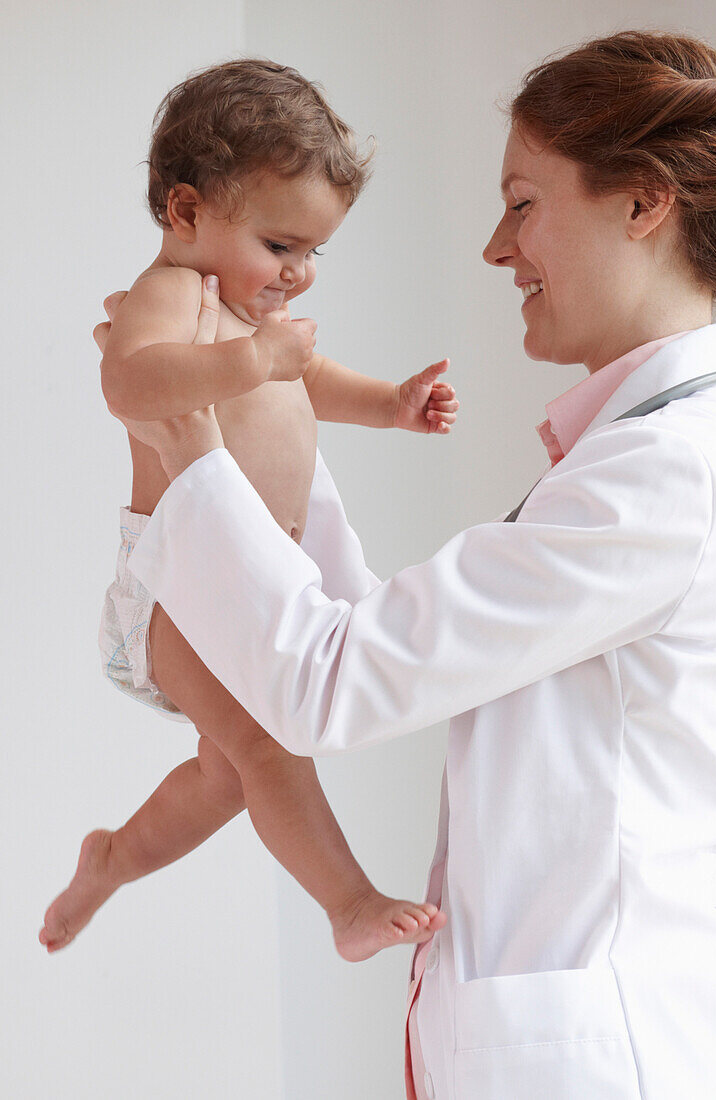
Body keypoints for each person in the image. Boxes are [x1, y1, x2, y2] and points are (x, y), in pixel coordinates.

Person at [93, 31, 716, 1100]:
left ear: (642, 203)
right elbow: (355, 641)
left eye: (524, 202)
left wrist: (191, 448)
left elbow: (326, 682)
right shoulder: (638, 459)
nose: (497, 246)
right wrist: (258, 448)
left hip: (610, 1057)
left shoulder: (671, 478)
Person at [39, 59, 457, 959]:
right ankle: (346, 903)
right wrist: (251, 362)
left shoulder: (250, 321)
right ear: (186, 212)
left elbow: (313, 380)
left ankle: (110, 861)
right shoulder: (175, 294)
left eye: (313, 252)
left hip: (239, 583)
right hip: (176, 585)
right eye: (279, 246)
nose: (299, 273)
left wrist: (389, 403)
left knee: (227, 775)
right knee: (269, 748)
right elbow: (129, 376)